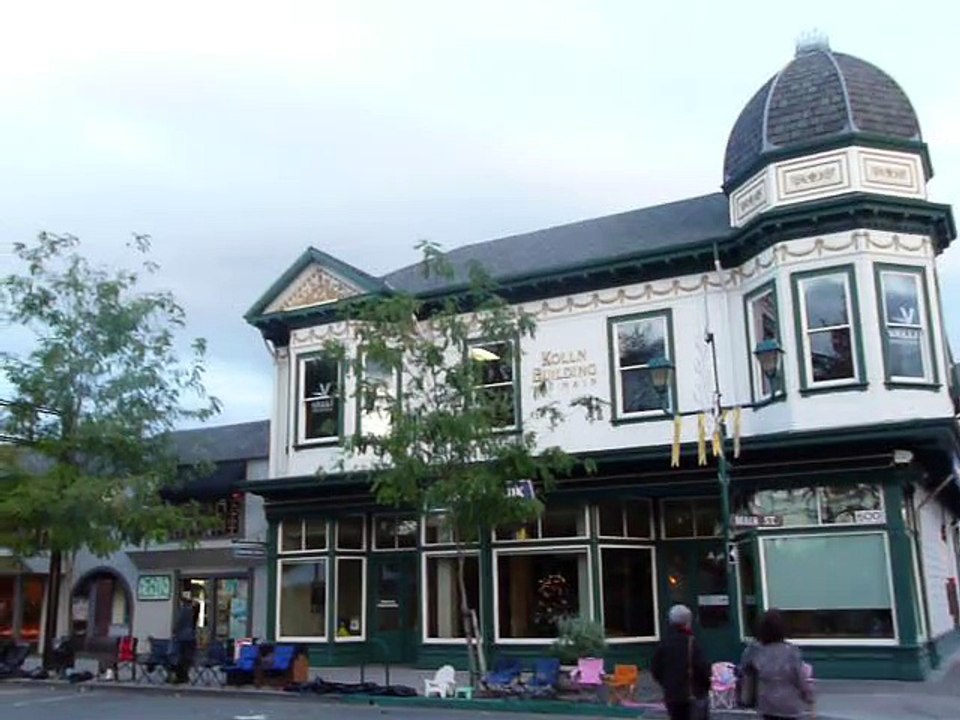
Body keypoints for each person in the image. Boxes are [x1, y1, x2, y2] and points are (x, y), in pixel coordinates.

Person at [749, 609, 814, 720]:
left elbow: (747, 674)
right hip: (789, 705)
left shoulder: (755, 651)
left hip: (766, 704)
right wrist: (808, 696)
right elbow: (799, 677)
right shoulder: (791, 651)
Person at [651, 604, 711, 720]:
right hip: (692, 694)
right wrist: (704, 687)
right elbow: (702, 669)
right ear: (688, 622)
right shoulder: (692, 643)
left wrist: (667, 683)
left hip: (672, 695)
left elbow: (656, 669)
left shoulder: (664, 644)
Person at [172, 592, 198, 684]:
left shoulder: (184, 611)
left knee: (181, 658)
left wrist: (175, 631)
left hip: (183, 637)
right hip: (190, 637)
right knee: (187, 658)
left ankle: (181, 677)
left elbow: (179, 623)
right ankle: (184, 676)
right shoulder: (192, 611)